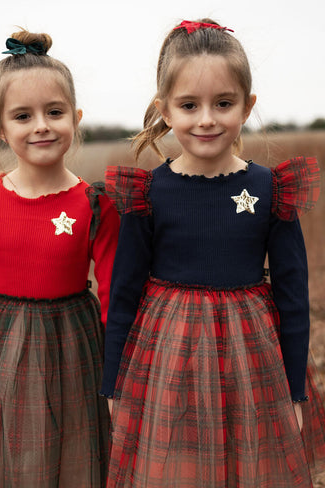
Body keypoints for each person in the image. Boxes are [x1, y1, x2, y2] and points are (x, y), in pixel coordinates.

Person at [100, 19, 325, 487]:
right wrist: (114, 385)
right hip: (167, 355)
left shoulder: (270, 188)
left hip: (251, 358)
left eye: (223, 103)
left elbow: (293, 295)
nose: (207, 118)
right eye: (189, 105)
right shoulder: (148, 192)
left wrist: (296, 394)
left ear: (247, 106)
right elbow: (122, 293)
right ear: (165, 110)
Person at [0, 29, 119, 487]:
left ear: (77, 118)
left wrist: (116, 382)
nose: (41, 126)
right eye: (22, 115)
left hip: (74, 350)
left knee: (67, 459)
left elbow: (114, 300)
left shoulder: (95, 204)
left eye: (55, 112)